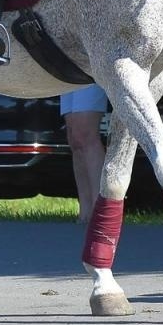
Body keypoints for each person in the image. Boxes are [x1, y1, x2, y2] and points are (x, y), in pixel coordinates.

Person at [59, 85, 107, 223]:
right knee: (75, 138)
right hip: (70, 69)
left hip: (90, 68)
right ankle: (85, 213)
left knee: (86, 133)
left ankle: (101, 212)